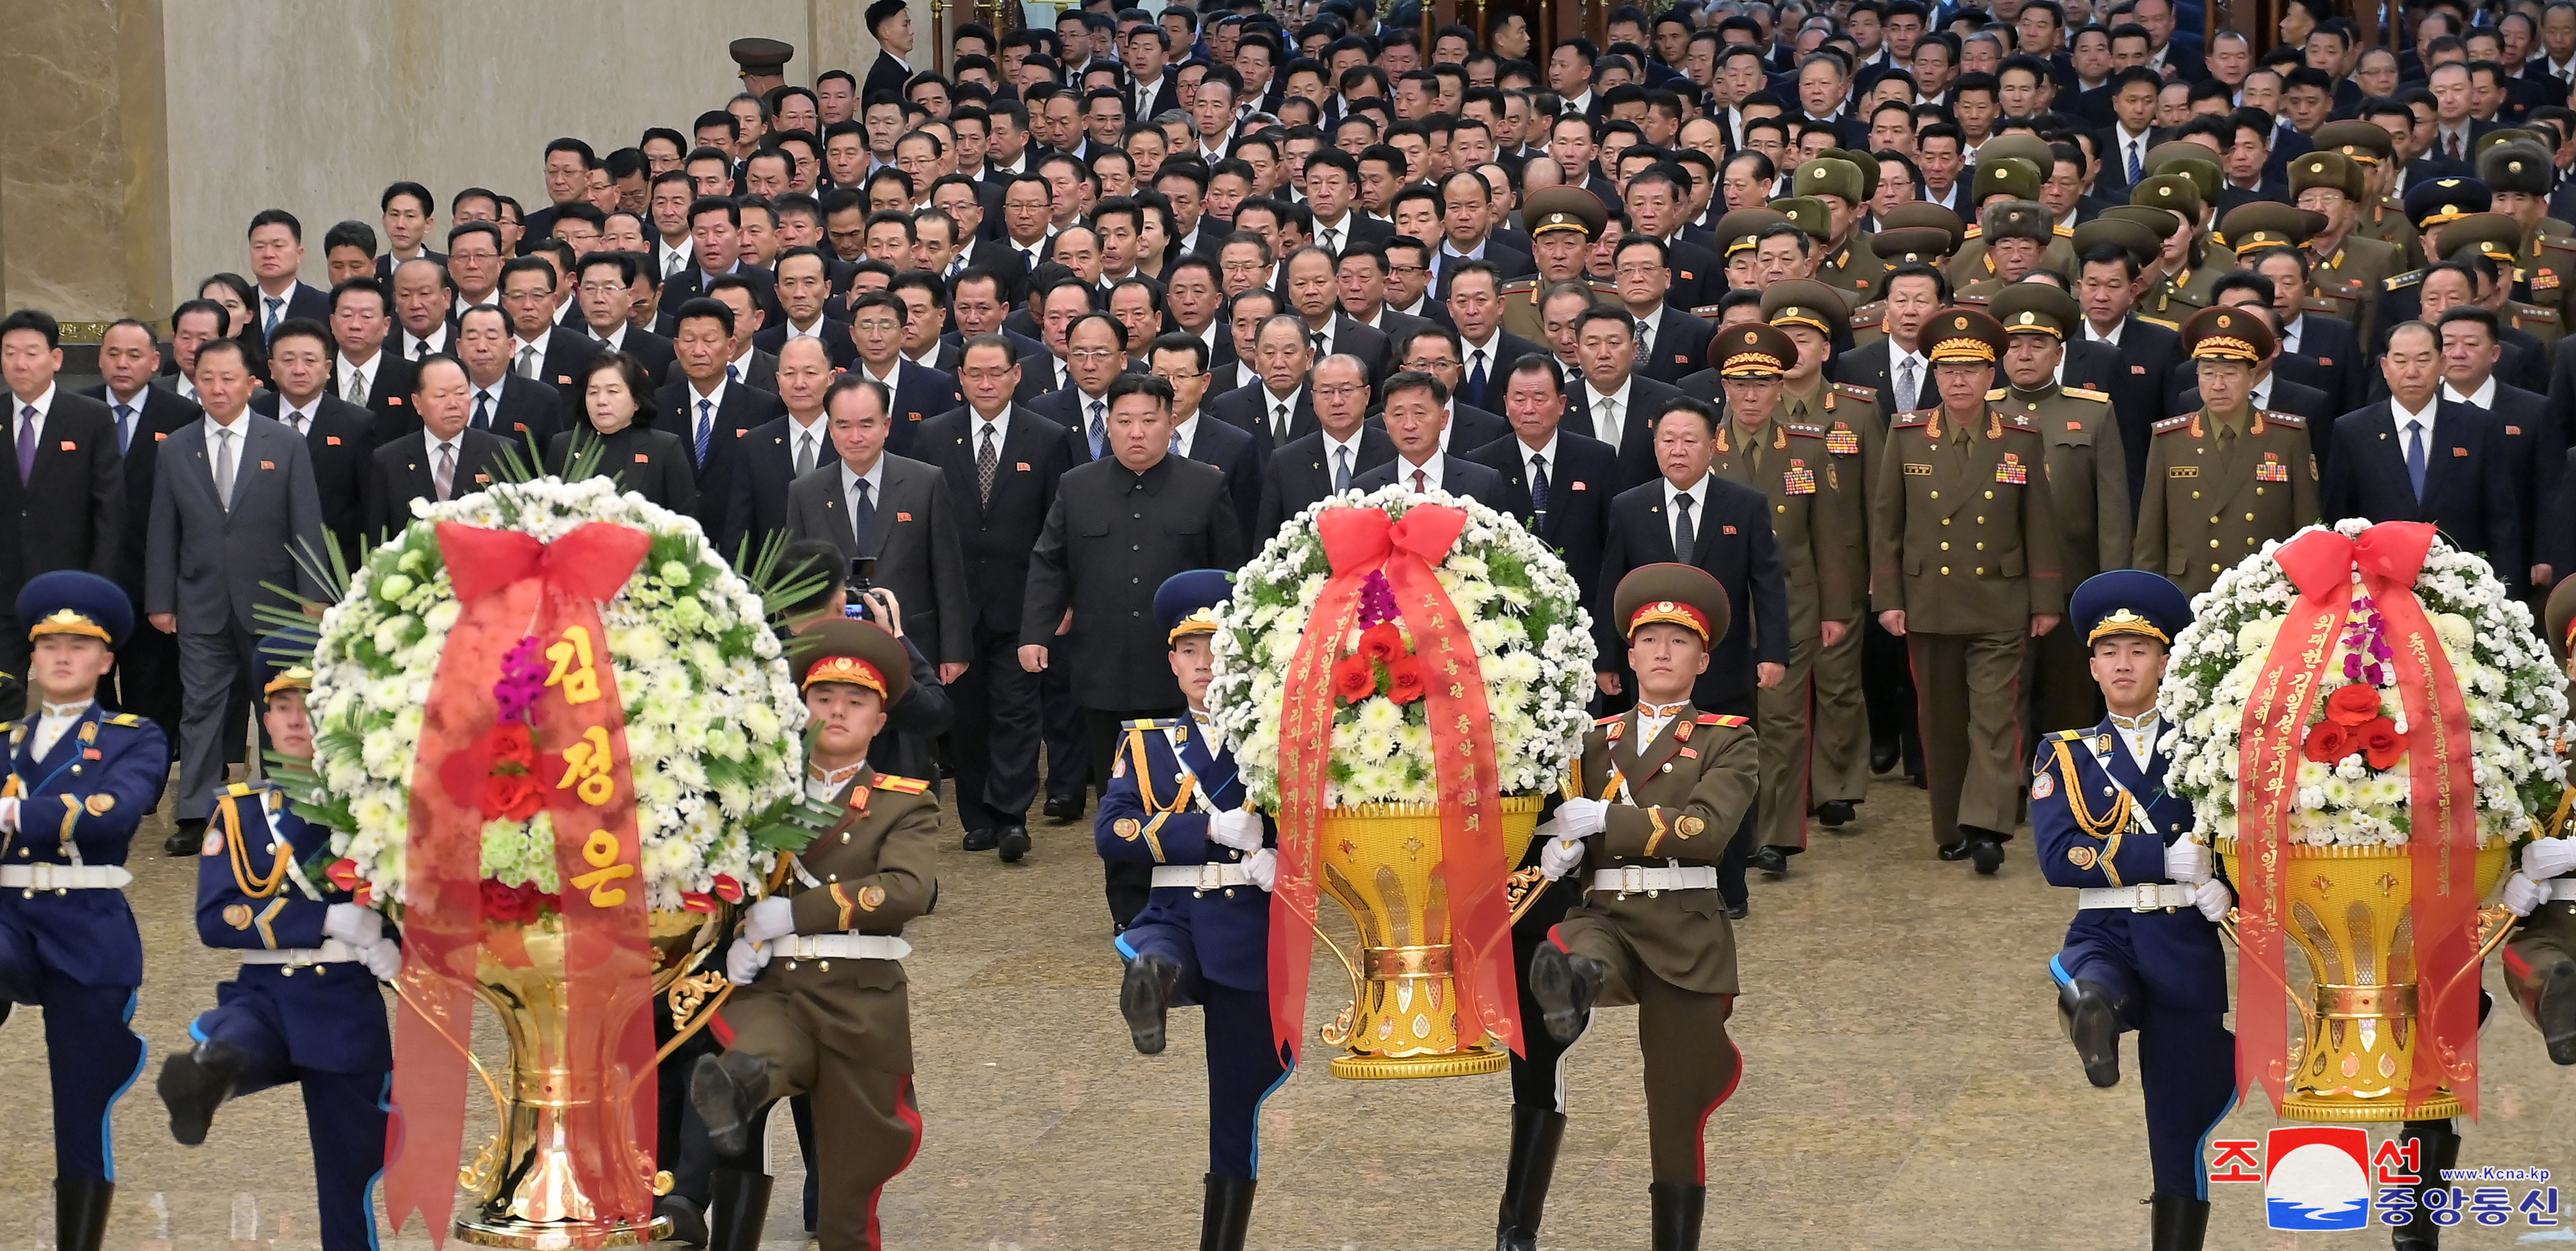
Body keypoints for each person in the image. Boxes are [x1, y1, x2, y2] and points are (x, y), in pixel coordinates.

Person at [1522, 563, 1758, 1251]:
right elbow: (1546, 818)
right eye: (1648, 637)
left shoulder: (1727, 736)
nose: (1661, 650)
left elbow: (1708, 830)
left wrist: (1605, 821)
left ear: (1702, 658)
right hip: (1609, 916)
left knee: (1675, 1111)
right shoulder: (1588, 740)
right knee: (1576, 947)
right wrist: (1552, 843)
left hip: (1686, 930)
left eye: (1678, 640)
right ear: (1626, 654)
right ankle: (1571, 986)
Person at [690, 617, 936, 1251]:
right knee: (757, 1052)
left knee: (848, 1193)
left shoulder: (902, 802)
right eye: (823, 698)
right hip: (779, 987)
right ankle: (735, 1085)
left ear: (879, 722)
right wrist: (741, 931)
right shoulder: (764, 798)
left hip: (862, 998)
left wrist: (797, 913)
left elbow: (906, 889)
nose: (837, 711)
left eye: (856, 702)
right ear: (802, 708)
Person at [155, 662, 400, 1251]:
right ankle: (203, 1077)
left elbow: (419, 893)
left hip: (345, 999)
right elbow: (217, 918)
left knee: (354, 1173)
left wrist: (397, 943)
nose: (297, 720)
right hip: (266, 992)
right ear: (266, 720)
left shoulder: (379, 806)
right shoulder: (240, 811)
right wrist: (321, 919)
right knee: (233, 1044)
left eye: (311, 707)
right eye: (284, 707)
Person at [2031, 570, 2233, 1251]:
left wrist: (2229, 887)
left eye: (2138, 650)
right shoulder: (2064, 752)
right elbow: (2059, 857)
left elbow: (2240, 837)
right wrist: (2159, 859)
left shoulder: (2205, 749)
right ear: (2090, 665)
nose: (2122, 663)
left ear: (2166, 661)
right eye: (2109, 651)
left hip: (2184, 935)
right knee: (2091, 982)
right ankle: (2094, 1017)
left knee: (2180, 1124)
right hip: (2107, 924)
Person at [1099, 570, 1285, 1251]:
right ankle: (1149, 985)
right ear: (1170, 661)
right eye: (1189, 650)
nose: (1204, 664)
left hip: (1249, 916)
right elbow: (1110, 831)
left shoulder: (1275, 736)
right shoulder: (1148, 740)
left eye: (1217, 646)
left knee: (1235, 1099)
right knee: (1159, 952)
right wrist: (1202, 831)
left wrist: (1282, 859)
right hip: (1175, 902)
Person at [1021, 372, 1248, 926]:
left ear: (1171, 423)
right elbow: (1049, 562)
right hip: (1105, 670)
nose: (1137, 432)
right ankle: (1129, 910)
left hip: (1190, 674)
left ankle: (1202, 898)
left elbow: (1234, 576)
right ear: (1108, 427)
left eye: (1150, 420)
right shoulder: (1078, 486)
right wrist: (1035, 631)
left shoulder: (1205, 485)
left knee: (1194, 790)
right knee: (1120, 798)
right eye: (1124, 421)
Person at [0, 571, 169, 1251]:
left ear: (107, 659)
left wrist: (14, 811)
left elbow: (115, 811)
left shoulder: (135, 736)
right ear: (33, 656)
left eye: (80, 643)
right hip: (9, 917)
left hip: (87, 926)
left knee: (81, 1106)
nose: (63, 656)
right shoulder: (7, 739)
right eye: (49, 644)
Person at [1870, 307, 2065, 873]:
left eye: (1972, 369)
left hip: (1999, 599)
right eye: (1949, 369)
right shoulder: (1908, 436)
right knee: (1942, 719)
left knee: (1995, 715)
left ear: (1992, 376)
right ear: (1935, 376)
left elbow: (2039, 523)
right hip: (1928, 598)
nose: (1959, 380)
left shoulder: (2020, 438)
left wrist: (2046, 599)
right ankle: (1952, 825)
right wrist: (1889, 598)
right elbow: (1888, 524)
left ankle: (1988, 826)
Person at [145, 338, 327, 854]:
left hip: (275, 603)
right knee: (200, 707)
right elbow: (164, 529)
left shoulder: (284, 443)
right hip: (200, 602)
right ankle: (196, 810)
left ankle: (283, 805)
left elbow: (306, 525)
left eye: (229, 378)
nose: (218, 388)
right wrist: (161, 599)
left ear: (252, 383)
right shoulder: (176, 446)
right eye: (208, 378)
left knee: (278, 707)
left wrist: (313, 599)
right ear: (194, 382)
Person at [1703, 322, 1857, 876]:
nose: (1751, 395)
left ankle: (1778, 835)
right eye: (1740, 382)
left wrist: (1836, 611)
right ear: (1723, 385)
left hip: (1790, 607)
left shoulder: (1809, 450)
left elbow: (1829, 538)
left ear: (1779, 387)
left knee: (1785, 722)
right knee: (1722, 726)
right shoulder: (1702, 448)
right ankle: (1724, 829)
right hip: (1718, 613)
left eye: (1764, 383)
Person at [913, 334, 1070, 861]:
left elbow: (1058, 526)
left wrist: (1059, 601)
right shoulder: (933, 437)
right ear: (960, 378)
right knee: (968, 714)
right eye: (975, 373)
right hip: (953, 604)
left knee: (1017, 711)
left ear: (1016, 375)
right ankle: (976, 817)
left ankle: (1011, 815)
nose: (986, 383)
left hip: (1023, 603)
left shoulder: (1046, 437)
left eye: (996, 373)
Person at [1986, 283, 2131, 733]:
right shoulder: (1982, 411)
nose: (2025, 354)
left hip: (2074, 583)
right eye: (2015, 345)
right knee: (2002, 704)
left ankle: (2070, 794)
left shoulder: (2092, 413)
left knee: (2071, 700)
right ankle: (2007, 797)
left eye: (2038, 344)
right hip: (2001, 582)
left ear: (2059, 353)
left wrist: (2111, 591)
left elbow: (2112, 510)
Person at [785, 374, 973, 676]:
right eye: (844, 426)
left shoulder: (925, 482)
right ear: (830, 428)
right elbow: (797, 580)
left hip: (912, 644)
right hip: (833, 647)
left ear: (886, 426)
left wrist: (955, 651)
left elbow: (948, 572)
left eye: (866, 425)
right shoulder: (805, 492)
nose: (855, 437)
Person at [2130, 305, 2319, 599]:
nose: (2218, 385)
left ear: (2251, 377)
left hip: (2266, 595)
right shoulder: (2170, 439)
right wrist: (2149, 600)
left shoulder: (2287, 437)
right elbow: (2150, 537)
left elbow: (2307, 531)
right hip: (2188, 592)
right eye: (2208, 373)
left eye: (2230, 374)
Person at [0, 309, 126, 717]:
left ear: (55, 359)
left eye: (31, 353)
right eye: (10, 353)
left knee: (70, 698)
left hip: (68, 588)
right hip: (3, 586)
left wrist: (97, 587)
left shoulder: (89, 417)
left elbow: (109, 509)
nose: (20, 363)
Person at [365, 355, 512, 537]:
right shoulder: (389, 460)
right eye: (441, 396)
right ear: (417, 403)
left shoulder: (501, 453)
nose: (453, 404)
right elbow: (379, 536)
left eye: (461, 394)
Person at [550, 352, 699, 511]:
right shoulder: (564, 446)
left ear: (637, 401)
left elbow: (684, 520)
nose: (601, 401)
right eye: (593, 392)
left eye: (612, 392)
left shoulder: (665, 448)